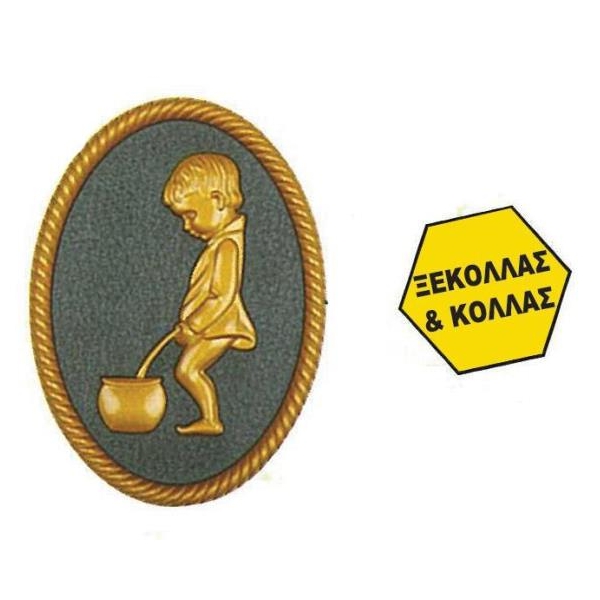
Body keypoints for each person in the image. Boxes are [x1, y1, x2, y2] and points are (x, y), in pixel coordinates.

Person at [163, 153, 257, 435]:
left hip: (221, 324)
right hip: (214, 323)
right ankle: (210, 419)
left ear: (217, 200)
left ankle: (211, 420)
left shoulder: (227, 246)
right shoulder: (221, 243)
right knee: (187, 369)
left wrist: (194, 325)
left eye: (190, 215)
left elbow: (221, 296)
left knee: (187, 370)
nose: (186, 226)